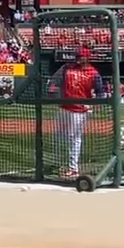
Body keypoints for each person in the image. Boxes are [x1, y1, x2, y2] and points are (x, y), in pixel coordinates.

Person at [48, 47, 106, 178]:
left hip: (79, 110)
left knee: (74, 138)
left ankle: (73, 168)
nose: (79, 58)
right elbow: (54, 80)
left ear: (87, 58)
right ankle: (58, 163)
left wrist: (96, 104)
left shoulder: (93, 73)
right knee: (57, 137)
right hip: (64, 107)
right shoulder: (67, 68)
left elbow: (100, 92)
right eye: (78, 56)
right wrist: (52, 86)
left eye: (81, 56)